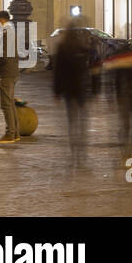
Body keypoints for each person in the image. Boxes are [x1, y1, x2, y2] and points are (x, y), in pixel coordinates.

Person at [52, 19, 93, 166]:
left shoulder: (63, 47)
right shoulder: (83, 47)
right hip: (81, 89)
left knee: (72, 122)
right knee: (83, 122)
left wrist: (57, 91)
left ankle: (73, 152)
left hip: (69, 90)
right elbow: (91, 69)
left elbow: (58, 72)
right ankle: (82, 154)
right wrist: (94, 89)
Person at [0, 10, 21, 144]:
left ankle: (10, 134)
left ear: (1, 20)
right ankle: (16, 133)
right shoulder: (10, 32)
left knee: (5, 105)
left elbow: (3, 56)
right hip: (12, 72)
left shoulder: (6, 33)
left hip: (6, 73)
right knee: (10, 104)